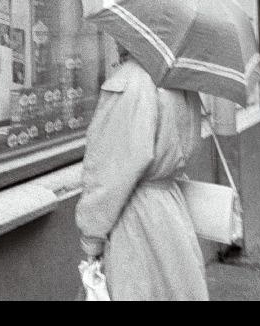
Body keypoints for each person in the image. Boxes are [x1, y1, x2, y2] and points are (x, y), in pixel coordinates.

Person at [75, 45, 208, 300]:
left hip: (134, 215)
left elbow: (109, 172)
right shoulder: (180, 81)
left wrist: (92, 237)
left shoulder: (130, 81)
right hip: (170, 210)